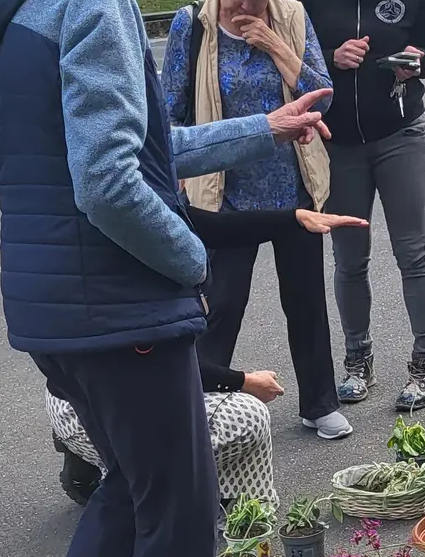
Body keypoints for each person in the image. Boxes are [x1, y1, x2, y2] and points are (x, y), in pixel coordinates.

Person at [0, 0, 334, 557]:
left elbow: (142, 148)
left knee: (131, 489)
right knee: (182, 517)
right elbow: (111, 180)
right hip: (118, 310)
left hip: (49, 302)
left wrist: (262, 128)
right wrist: (191, 259)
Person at [161, 0, 355, 441]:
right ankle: (199, 406)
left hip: (292, 188)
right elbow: (167, 114)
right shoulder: (192, 25)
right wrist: (178, 178)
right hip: (223, 194)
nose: (244, 5)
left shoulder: (290, 17)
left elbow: (323, 96)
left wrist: (274, 44)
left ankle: (319, 402)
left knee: (306, 300)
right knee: (221, 303)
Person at [50, 205, 366, 507]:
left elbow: (215, 226)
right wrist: (243, 382)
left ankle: (186, 499)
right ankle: (179, 503)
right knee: (246, 415)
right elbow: (172, 369)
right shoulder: (142, 288)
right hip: (97, 408)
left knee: (158, 464)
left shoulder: (130, 227)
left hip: (82, 392)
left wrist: (295, 218)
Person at [283, 0, 425, 412]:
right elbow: (287, 63)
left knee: (411, 253)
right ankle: (357, 360)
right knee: (349, 259)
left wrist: (414, 64)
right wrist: (330, 60)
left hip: (401, 135)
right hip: (339, 146)